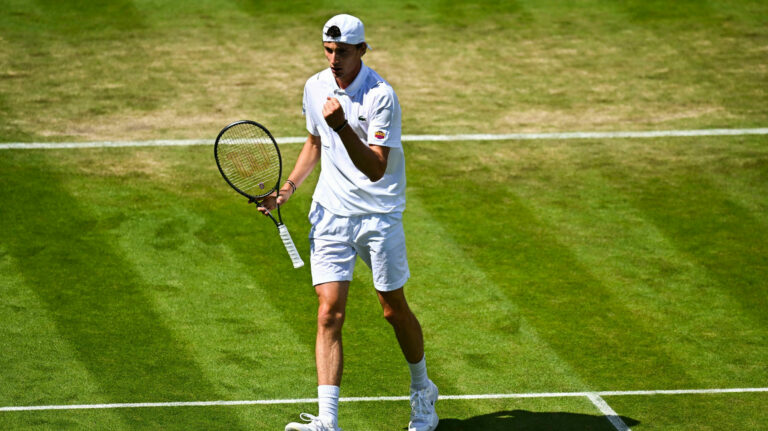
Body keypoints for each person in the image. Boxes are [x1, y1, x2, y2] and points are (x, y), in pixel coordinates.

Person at [257, 13, 438, 431]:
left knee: (392, 310)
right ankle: (327, 421)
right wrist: (287, 189)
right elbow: (314, 142)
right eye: (328, 50)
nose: (334, 58)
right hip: (331, 212)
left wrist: (341, 125)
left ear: (362, 51)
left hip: (378, 215)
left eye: (343, 51)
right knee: (328, 314)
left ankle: (423, 392)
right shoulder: (314, 86)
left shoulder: (381, 96)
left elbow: (375, 168)